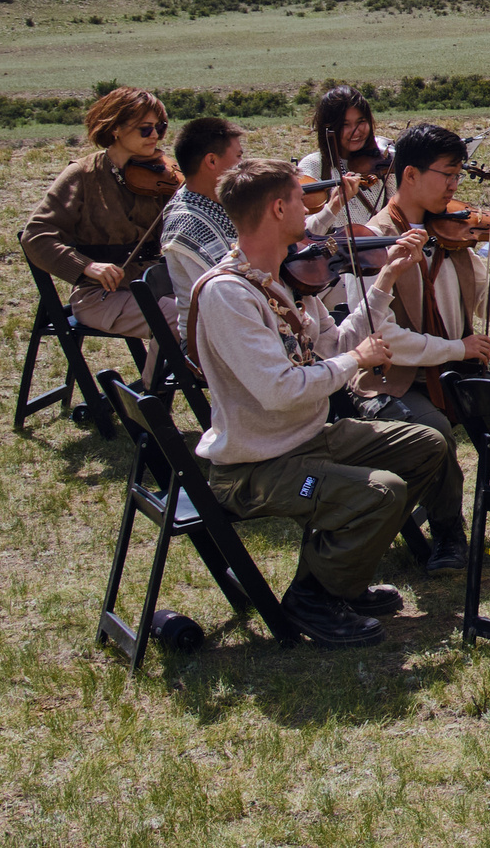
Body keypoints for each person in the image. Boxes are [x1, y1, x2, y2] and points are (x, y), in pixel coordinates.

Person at [184, 157, 445, 647]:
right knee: (382, 491)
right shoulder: (230, 294)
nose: (312, 208)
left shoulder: (283, 283)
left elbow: (338, 345)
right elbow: (279, 389)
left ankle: (337, 574)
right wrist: (356, 363)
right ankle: (314, 597)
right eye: (301, 200)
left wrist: (386, 279)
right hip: (253, 466)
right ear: (278, 207)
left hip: (305, 440)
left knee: (424, 445)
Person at [350, 121, 490, 574]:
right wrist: (456, 349)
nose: (456, 186)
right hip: (396, 380)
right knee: (433, 432)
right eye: (448, 174)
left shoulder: (453, 231)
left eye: (459, 175)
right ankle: (448, 534)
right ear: (411, 175)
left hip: (457, 368)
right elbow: (384, 339)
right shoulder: (373, 240)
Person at [21, 87, 171, 364]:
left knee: (214, 310)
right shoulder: (83, 175)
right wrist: (86, 266)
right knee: (181, 320)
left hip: (156, 286)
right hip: (100, 295)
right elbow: (36, 236)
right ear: (115, 129)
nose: (155, 137)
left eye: (160, 128)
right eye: (145, 129)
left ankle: (160, 394)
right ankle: (154, 397)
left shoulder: (164, 174)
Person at [159, 115, 247, 330]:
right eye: (238, 157)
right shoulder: (187, 223)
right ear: (212, 161)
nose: (242, 166)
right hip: (212, 339)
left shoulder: (216, 202)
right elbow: (229, 293)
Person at [301, 85, 391, 232]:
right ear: (329, 128)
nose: (356, 131)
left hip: (380, 253)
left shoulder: (383, 162)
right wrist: (333, 206)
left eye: (361, 122)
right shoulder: (313, 165)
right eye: (345, 125)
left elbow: (397, 217)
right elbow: (305, 233)